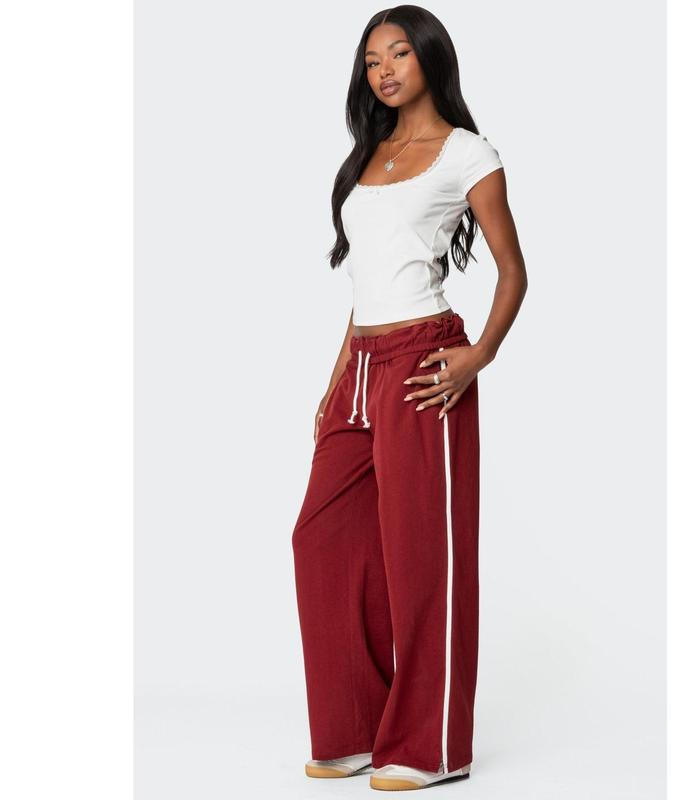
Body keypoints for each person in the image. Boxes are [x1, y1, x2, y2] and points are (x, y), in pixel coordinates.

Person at [291, 5, 527, 791]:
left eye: (397, 53)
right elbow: (367, 286)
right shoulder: (369, 154)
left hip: (426, 363)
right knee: (321, 541)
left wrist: (477, 357)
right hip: (361, 367)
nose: (384, 70)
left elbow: (513, 270)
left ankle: (432, 748)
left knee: (424, 557)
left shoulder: (468, 153)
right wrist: (335, 386)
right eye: (371, 60)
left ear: (430, 57)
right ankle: (356, 729)